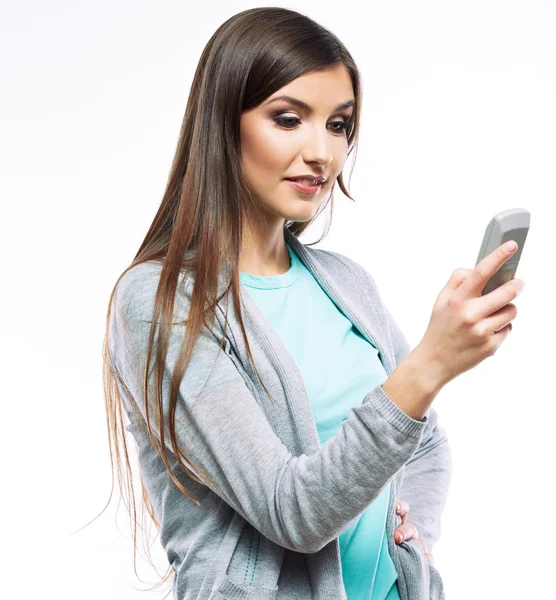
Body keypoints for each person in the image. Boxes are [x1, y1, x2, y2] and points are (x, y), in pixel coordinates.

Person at [102, 6, 523, 600]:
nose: (322, 152)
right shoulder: (160, 300)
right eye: (289, 118)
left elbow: (424, 440)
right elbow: (290, 512)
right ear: (224, 123)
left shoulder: (347, 284)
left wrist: (414, 539)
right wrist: (429, 364)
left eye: (339, 125)